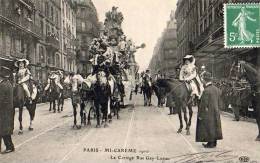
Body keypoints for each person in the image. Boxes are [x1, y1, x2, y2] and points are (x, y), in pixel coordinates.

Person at [196, 72, 223, 148]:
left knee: (209, 126)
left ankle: (210, 143)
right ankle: (214, 142)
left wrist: (200, 114)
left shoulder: (206, 91)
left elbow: (203, 104)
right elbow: (219, 101)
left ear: (205, 80)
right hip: (216, 111)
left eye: (203, 80)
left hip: (208, 112)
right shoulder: (217, 89)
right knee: (215, 126)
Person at [0, 66, 15, 154]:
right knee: (5, 129)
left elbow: (1, 99)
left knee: (3, 129)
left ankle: (9, 147)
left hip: (4, 110)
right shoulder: (8, 83)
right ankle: (10, 146)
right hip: (8, 110)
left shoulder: (2, 85)